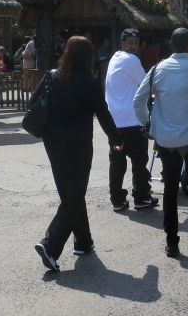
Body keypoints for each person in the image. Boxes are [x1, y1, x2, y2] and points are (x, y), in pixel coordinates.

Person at [34, 37, 122, 272]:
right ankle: (50, 245)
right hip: (78, 144)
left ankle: (83, 241)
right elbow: (103, 114)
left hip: (52, 141)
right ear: (88, 56)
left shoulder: (52, 76)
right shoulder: (90, 82)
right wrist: (116, 139)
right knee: (73, 196)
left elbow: (34, 102)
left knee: (71, 191)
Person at [134, 27, 188, 258]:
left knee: (170, 188)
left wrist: (147, 123)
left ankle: (172, 242)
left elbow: (138, 100)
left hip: (165, 138)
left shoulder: (157, 69)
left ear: (170, 44)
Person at [105, 28, 158, 212]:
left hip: (114, 121)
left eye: (136, 43)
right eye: (130, 43)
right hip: (132, 120)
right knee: (139, 160)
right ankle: (141, 197)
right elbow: (147, 85)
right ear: (122, 43)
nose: (133, 46)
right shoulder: (131, 60)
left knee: (117, 162)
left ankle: (117, 200)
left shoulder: (115, 58)